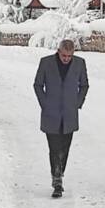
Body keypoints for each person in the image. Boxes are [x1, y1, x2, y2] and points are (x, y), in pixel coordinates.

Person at [33, 39, 89, 198]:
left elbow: (84, 85)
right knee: (54, 148)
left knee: (65, 148)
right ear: (58, 52)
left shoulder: (79, 64)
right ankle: (57, 179)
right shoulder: (46, 63)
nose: (66, 59)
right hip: (51, 114)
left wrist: (77, 103)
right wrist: (45, 103)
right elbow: (37, 85)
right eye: (64, 55)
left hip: (70, 114)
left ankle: (60, 172)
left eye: (69, 56)